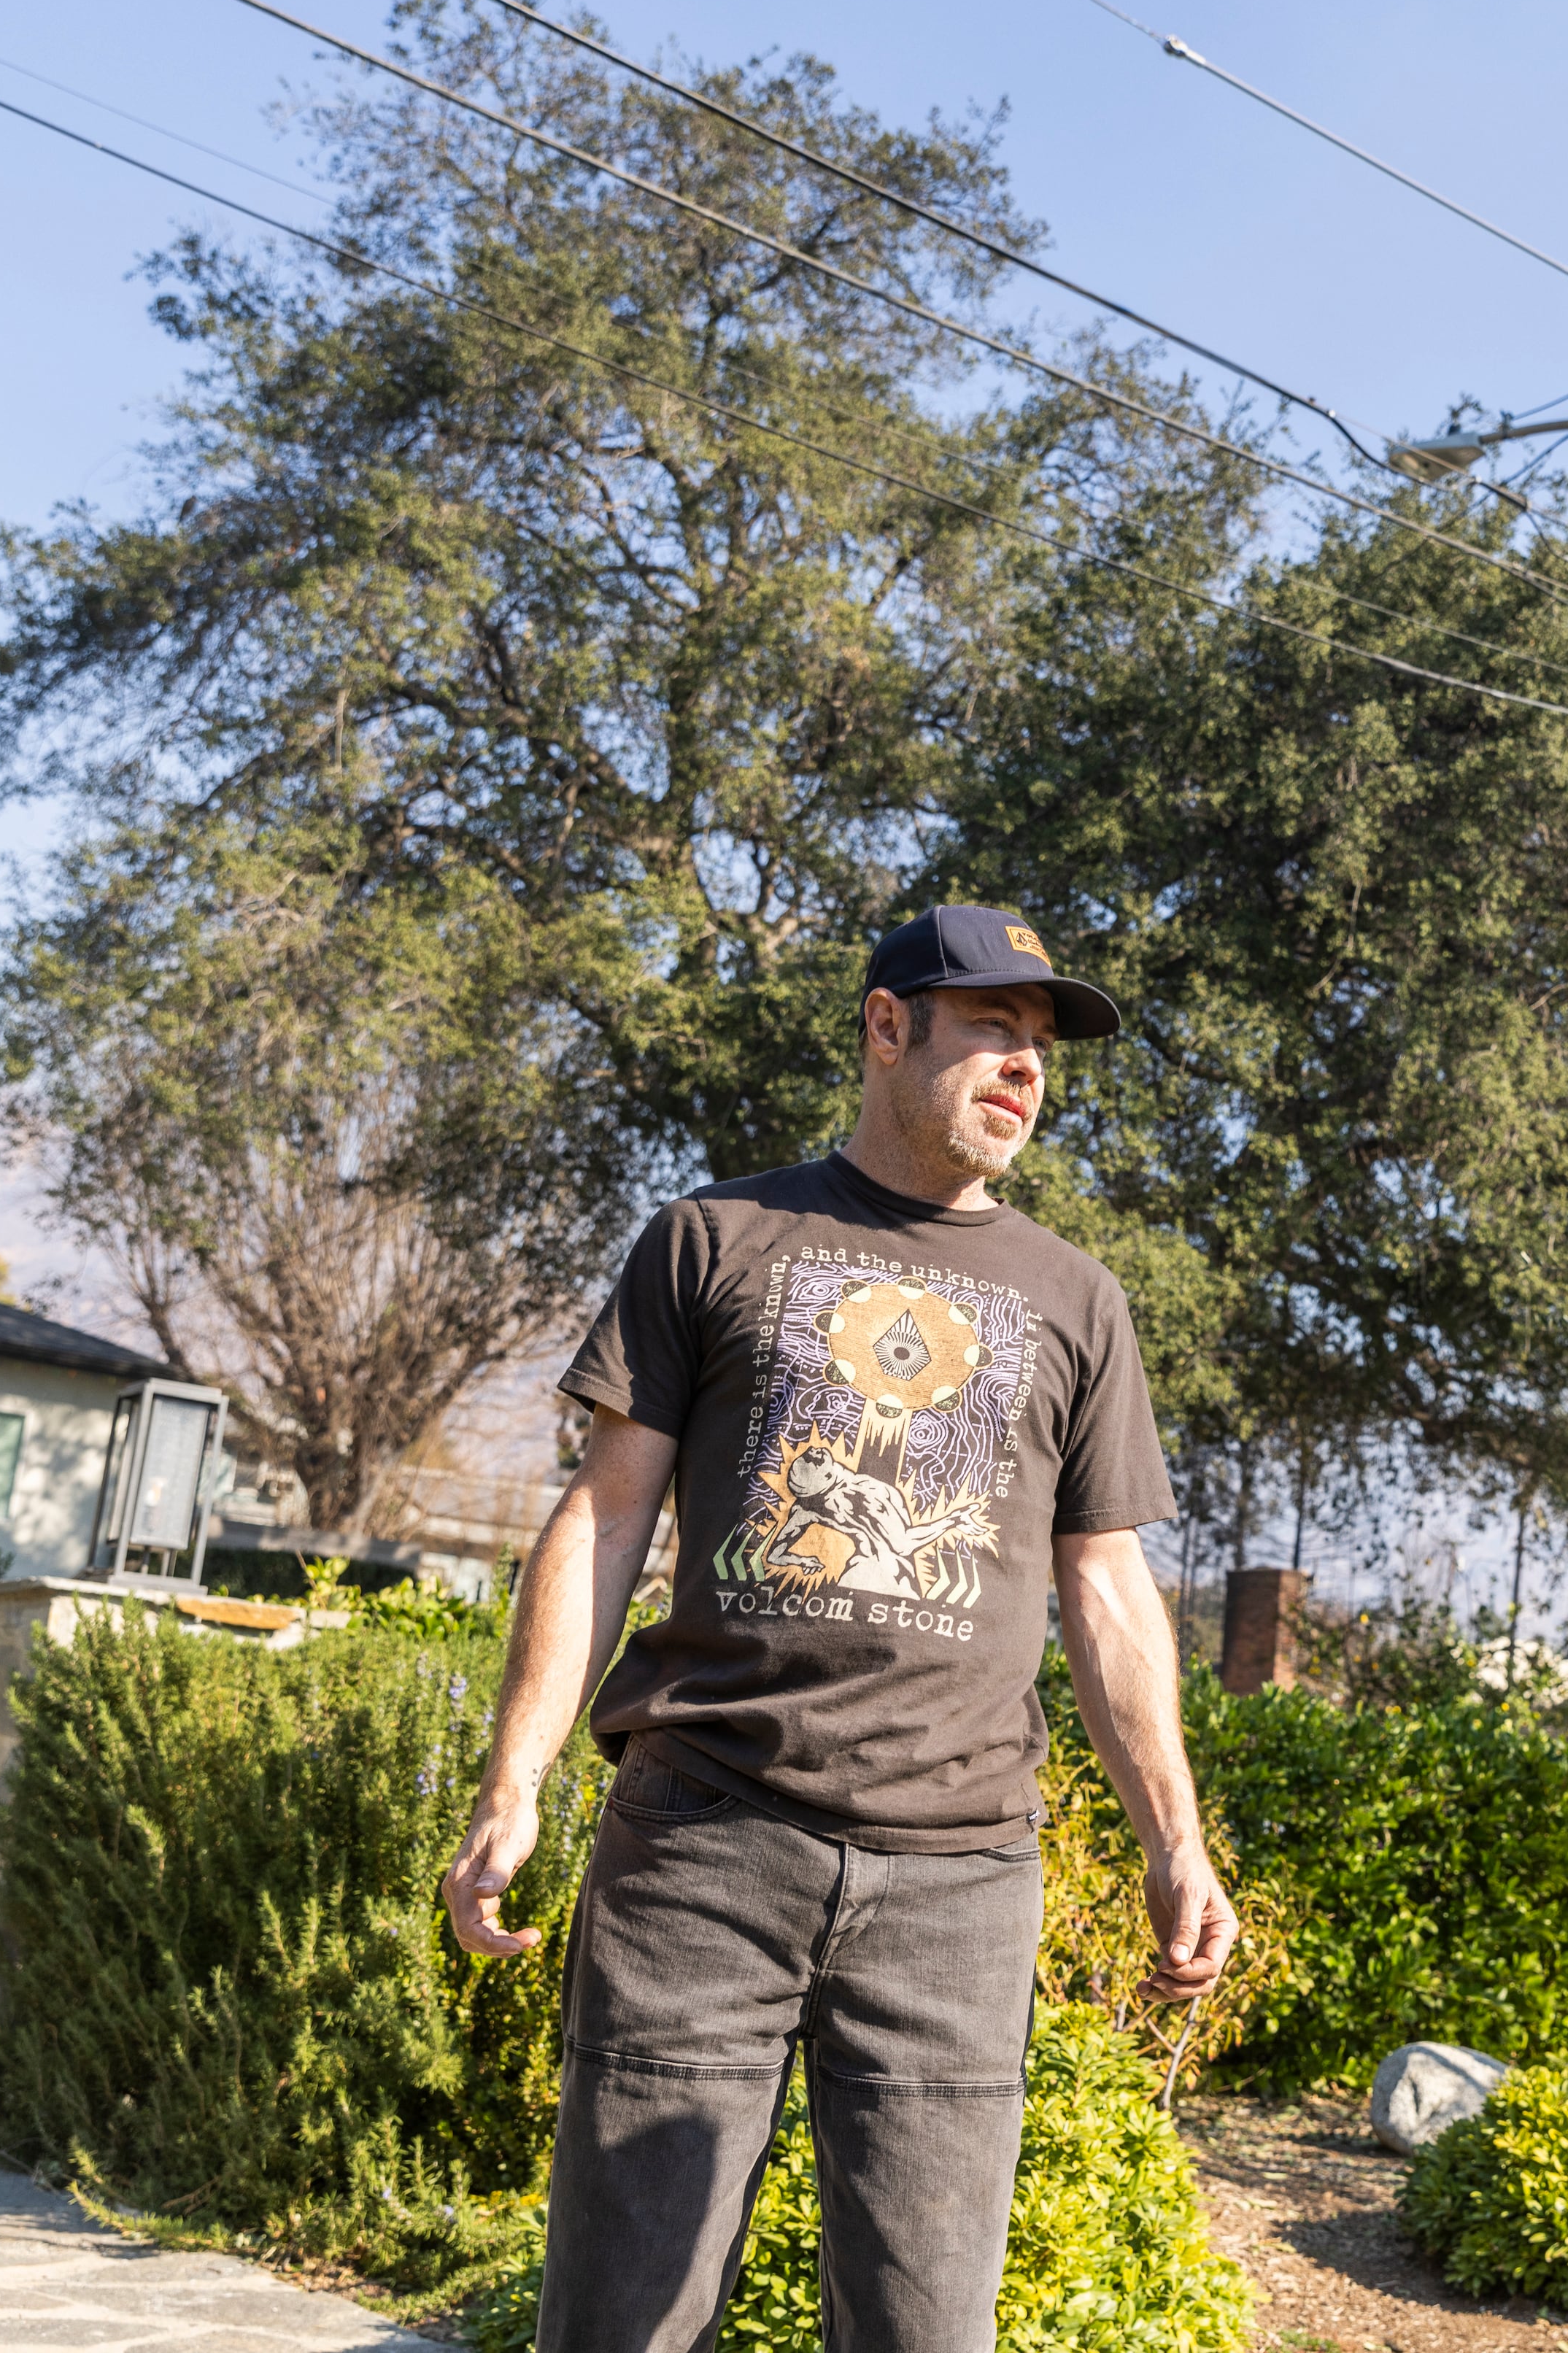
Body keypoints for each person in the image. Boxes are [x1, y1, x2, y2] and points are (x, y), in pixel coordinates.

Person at [441, 902, 1238, 2353]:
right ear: (887, 1027)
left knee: (927, 2329)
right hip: (703, 1844)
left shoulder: (1077, 1300)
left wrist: (1176, 1840)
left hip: (958, 1880)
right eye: (992, 1028)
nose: (1024, 1068)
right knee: (624, 2320)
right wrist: (514, 1787)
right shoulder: (713, 1238)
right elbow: (605, 1518)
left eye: (1041, 1044)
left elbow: (1107, 1585)